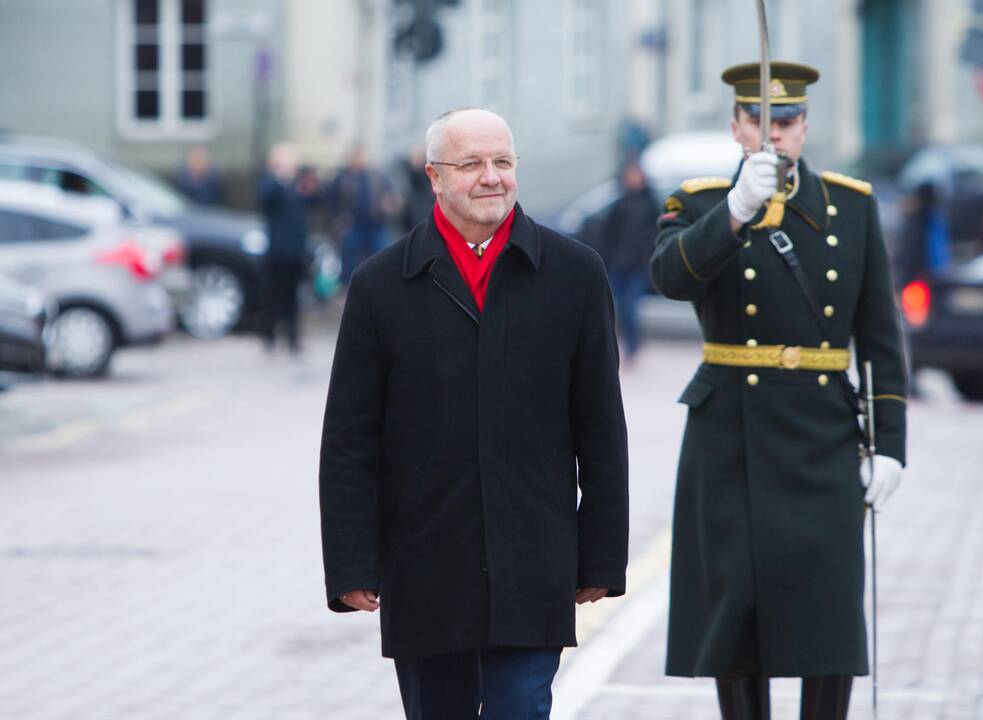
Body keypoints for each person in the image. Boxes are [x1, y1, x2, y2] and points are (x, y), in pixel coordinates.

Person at [319, 108, 629, 720]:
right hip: (425, 564)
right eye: (472, 165)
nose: (492, 177)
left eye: (503, 162)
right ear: (435, 177)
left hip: (534, 564)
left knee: (521, 708)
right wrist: (351, 563)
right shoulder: (381, 286)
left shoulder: (575, 275)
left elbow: (601, 429)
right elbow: (350, 439)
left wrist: (600, 557)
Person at [649, 62, 908, 720]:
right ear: (736, 126)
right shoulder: (701, 202)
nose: (774, 135)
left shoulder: (850, 207)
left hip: (822, 432)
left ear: (805, 127)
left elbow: (880, 337)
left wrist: (891, 445)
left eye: (786, 122)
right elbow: (668, 278)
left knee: (828, 615)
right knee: (736, 612)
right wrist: (735, 213)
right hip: (730, 428)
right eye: (759, 121)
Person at [601, 159, 660, 363]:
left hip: (639, 264)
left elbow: (659, 231)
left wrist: (648, 250)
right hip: (620, 263)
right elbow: (608, 231)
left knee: (630, 304)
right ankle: (623, 344)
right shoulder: (621, 202)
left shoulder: (651, 202)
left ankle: (633, 345)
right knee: (616, 306)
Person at [256, 143, 309, 353]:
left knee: (293, 296)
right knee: (272, 295)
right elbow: (265, 201)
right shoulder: (270, 184)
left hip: (295, 249)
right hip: (276, 249)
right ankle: (269, 335)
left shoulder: (299, 185)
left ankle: (293, 337)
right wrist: (280, 179)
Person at [327, 145, 399, 281]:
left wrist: (390, 205)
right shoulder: (341, 178)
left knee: (380, 259)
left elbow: (390, 196)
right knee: (349, 261)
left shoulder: (378, 176)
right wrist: (337, 220)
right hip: (352, 226)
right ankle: (348, 292)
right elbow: (331, 201)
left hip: (376, 224)